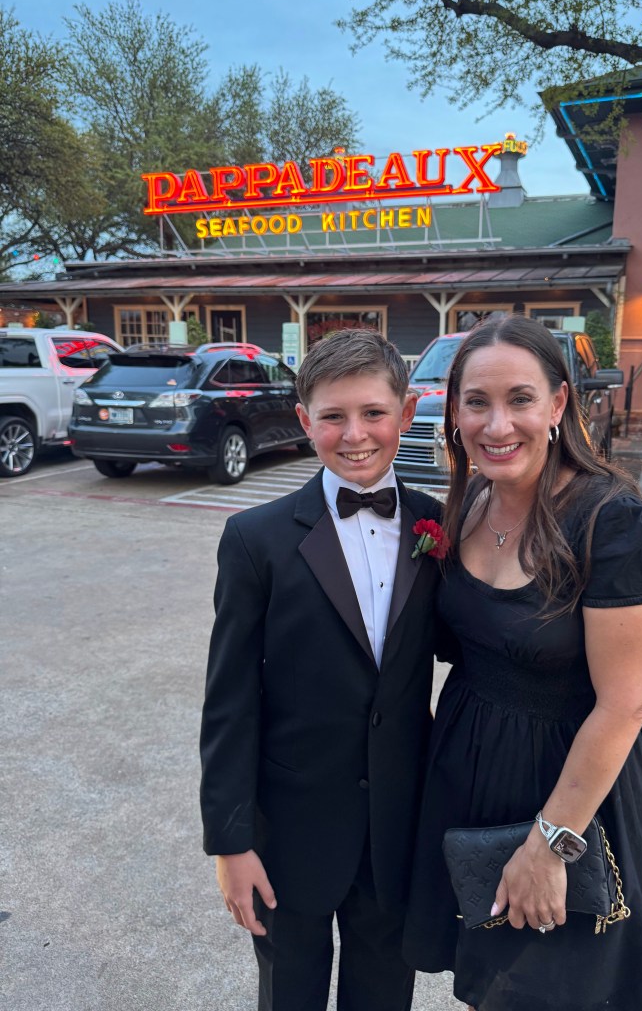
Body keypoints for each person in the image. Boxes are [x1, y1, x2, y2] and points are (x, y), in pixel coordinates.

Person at [403, 316, 642, 1011]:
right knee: (491, 987)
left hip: (568, 798)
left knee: (562, 991)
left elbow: (628, 703)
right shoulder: (469, 503)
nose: (497, 425)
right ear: (453, 411)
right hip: (469, 784)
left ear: (558, 404)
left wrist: (551, 844)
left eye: (520, 399)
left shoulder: (614, 525)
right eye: (477, 402)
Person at [199, 328, 446, 1011]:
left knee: (384, 993)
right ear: (305, 422)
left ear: (407, 412)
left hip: (397, 827)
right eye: (333, 416)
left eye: (373, 413)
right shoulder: (256, 539)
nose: (355, 434)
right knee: (290, 992)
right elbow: (229, 700)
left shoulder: (438, 526)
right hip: (290, 832)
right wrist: (230, 842)